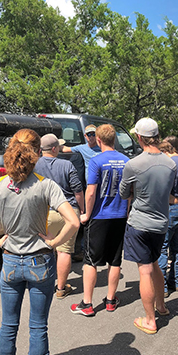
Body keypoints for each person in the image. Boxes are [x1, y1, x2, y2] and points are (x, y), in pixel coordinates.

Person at [0, 129, 79, 355]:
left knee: (8, 326)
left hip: (11, 261)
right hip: (40, 262)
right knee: (37, 327)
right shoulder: (47, 186)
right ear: (37, 152)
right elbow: (74, 221)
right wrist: (54, 242)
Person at [119, 118, 176, 335]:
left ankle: (150, 320)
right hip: (161, 223)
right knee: (155, 264)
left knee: (145, 271)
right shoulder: (171, 164)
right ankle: (161, 306)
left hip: (140, 223)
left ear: (139, 138)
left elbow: (124, 193)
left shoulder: (134, 164)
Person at [70, 124, 129, 316]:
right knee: (115, 259)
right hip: (119, 215)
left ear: (99, 140)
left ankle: (87, 303)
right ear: (115, 139)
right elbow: (129, 191)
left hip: (99, 216)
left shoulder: (96, 161)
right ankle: (111, 299)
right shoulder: (126, 161)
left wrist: (86, 213)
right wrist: (126, 210)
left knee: (90, 260)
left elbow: (91, 191)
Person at [34, 133, 84, 299]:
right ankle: (61, 288)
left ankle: (42, 285)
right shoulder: (67, 165)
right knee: (64, 251)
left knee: (44, 249)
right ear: (54, 148)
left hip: (43, 212)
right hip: (66, 212)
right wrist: (81, 210)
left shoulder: (34, 165)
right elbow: (77, 190)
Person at [157, 139, 178, 297]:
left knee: (162, 248)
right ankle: (176, 281)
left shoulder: (170, 164)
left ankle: (162, 285)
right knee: (176, 246)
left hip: (170, 207)